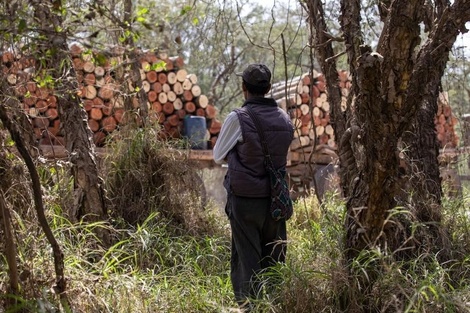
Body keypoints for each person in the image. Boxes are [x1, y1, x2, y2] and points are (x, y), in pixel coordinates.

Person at [213, 63, 294, 310]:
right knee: (274, 258)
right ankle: (273, 305)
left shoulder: (238, 117)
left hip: (246, 200)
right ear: (269, 88)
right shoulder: (284, 118)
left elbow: (218, 155)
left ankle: (250, 307)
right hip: (276, 200)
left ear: (243, 88)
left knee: (247, 258)